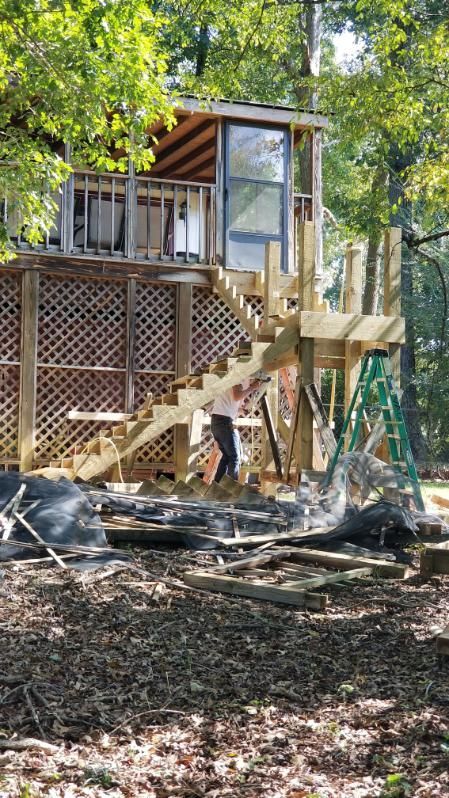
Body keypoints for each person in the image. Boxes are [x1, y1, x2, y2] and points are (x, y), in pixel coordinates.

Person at [210, 377, 262, 483]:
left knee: (226, 457)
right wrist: (252, 388)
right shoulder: (237, 377)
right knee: (235, 458)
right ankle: (230, 488)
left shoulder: (227, 378)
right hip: (224, 421)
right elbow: (237, 396)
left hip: (216, 421)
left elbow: (228, 402)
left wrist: (239, 410)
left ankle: (217, 487)